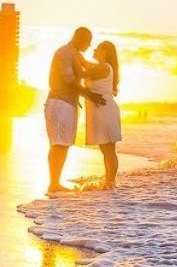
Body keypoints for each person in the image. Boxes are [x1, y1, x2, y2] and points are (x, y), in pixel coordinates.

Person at [44, 27, 107, 194]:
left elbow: (88, 69)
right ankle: (54, 184)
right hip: (59, 103)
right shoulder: (64, 53)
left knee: (63, 144)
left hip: (68, 103)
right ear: (80, 38)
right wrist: (90, 95)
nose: (89, 45)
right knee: (58, 144)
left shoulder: (76, 55)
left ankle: (55, 183)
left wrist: (107, 67)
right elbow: (70, 80)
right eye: (88, 41)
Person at [84, 41, 123, 188]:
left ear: (105, 52)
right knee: (107, 150)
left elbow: (82, 72)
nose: (94, 50)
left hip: (104, 111)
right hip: (104, 110)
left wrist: (76, 57)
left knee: (108, 150)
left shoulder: (103, 67)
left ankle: (110, 183)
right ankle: (110, 183)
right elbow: (86, 66)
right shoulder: (101, 67)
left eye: (98, 48)